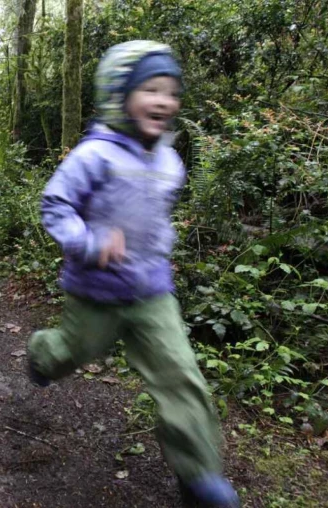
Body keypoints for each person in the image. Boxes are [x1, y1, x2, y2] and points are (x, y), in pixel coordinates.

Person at [25, 41, 240, 508]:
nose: (164, 101)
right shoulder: (94, 155)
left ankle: (199, 475)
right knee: (72, 351)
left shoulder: (169, 161)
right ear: (118, 95)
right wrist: (90, 243)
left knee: (181, 376)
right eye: (151, 89)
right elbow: (55, 205)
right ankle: (41, 356)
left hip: (150, 294)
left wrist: (161, 249)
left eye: (172, 92)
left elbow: (157, 218)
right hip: (94, 292)